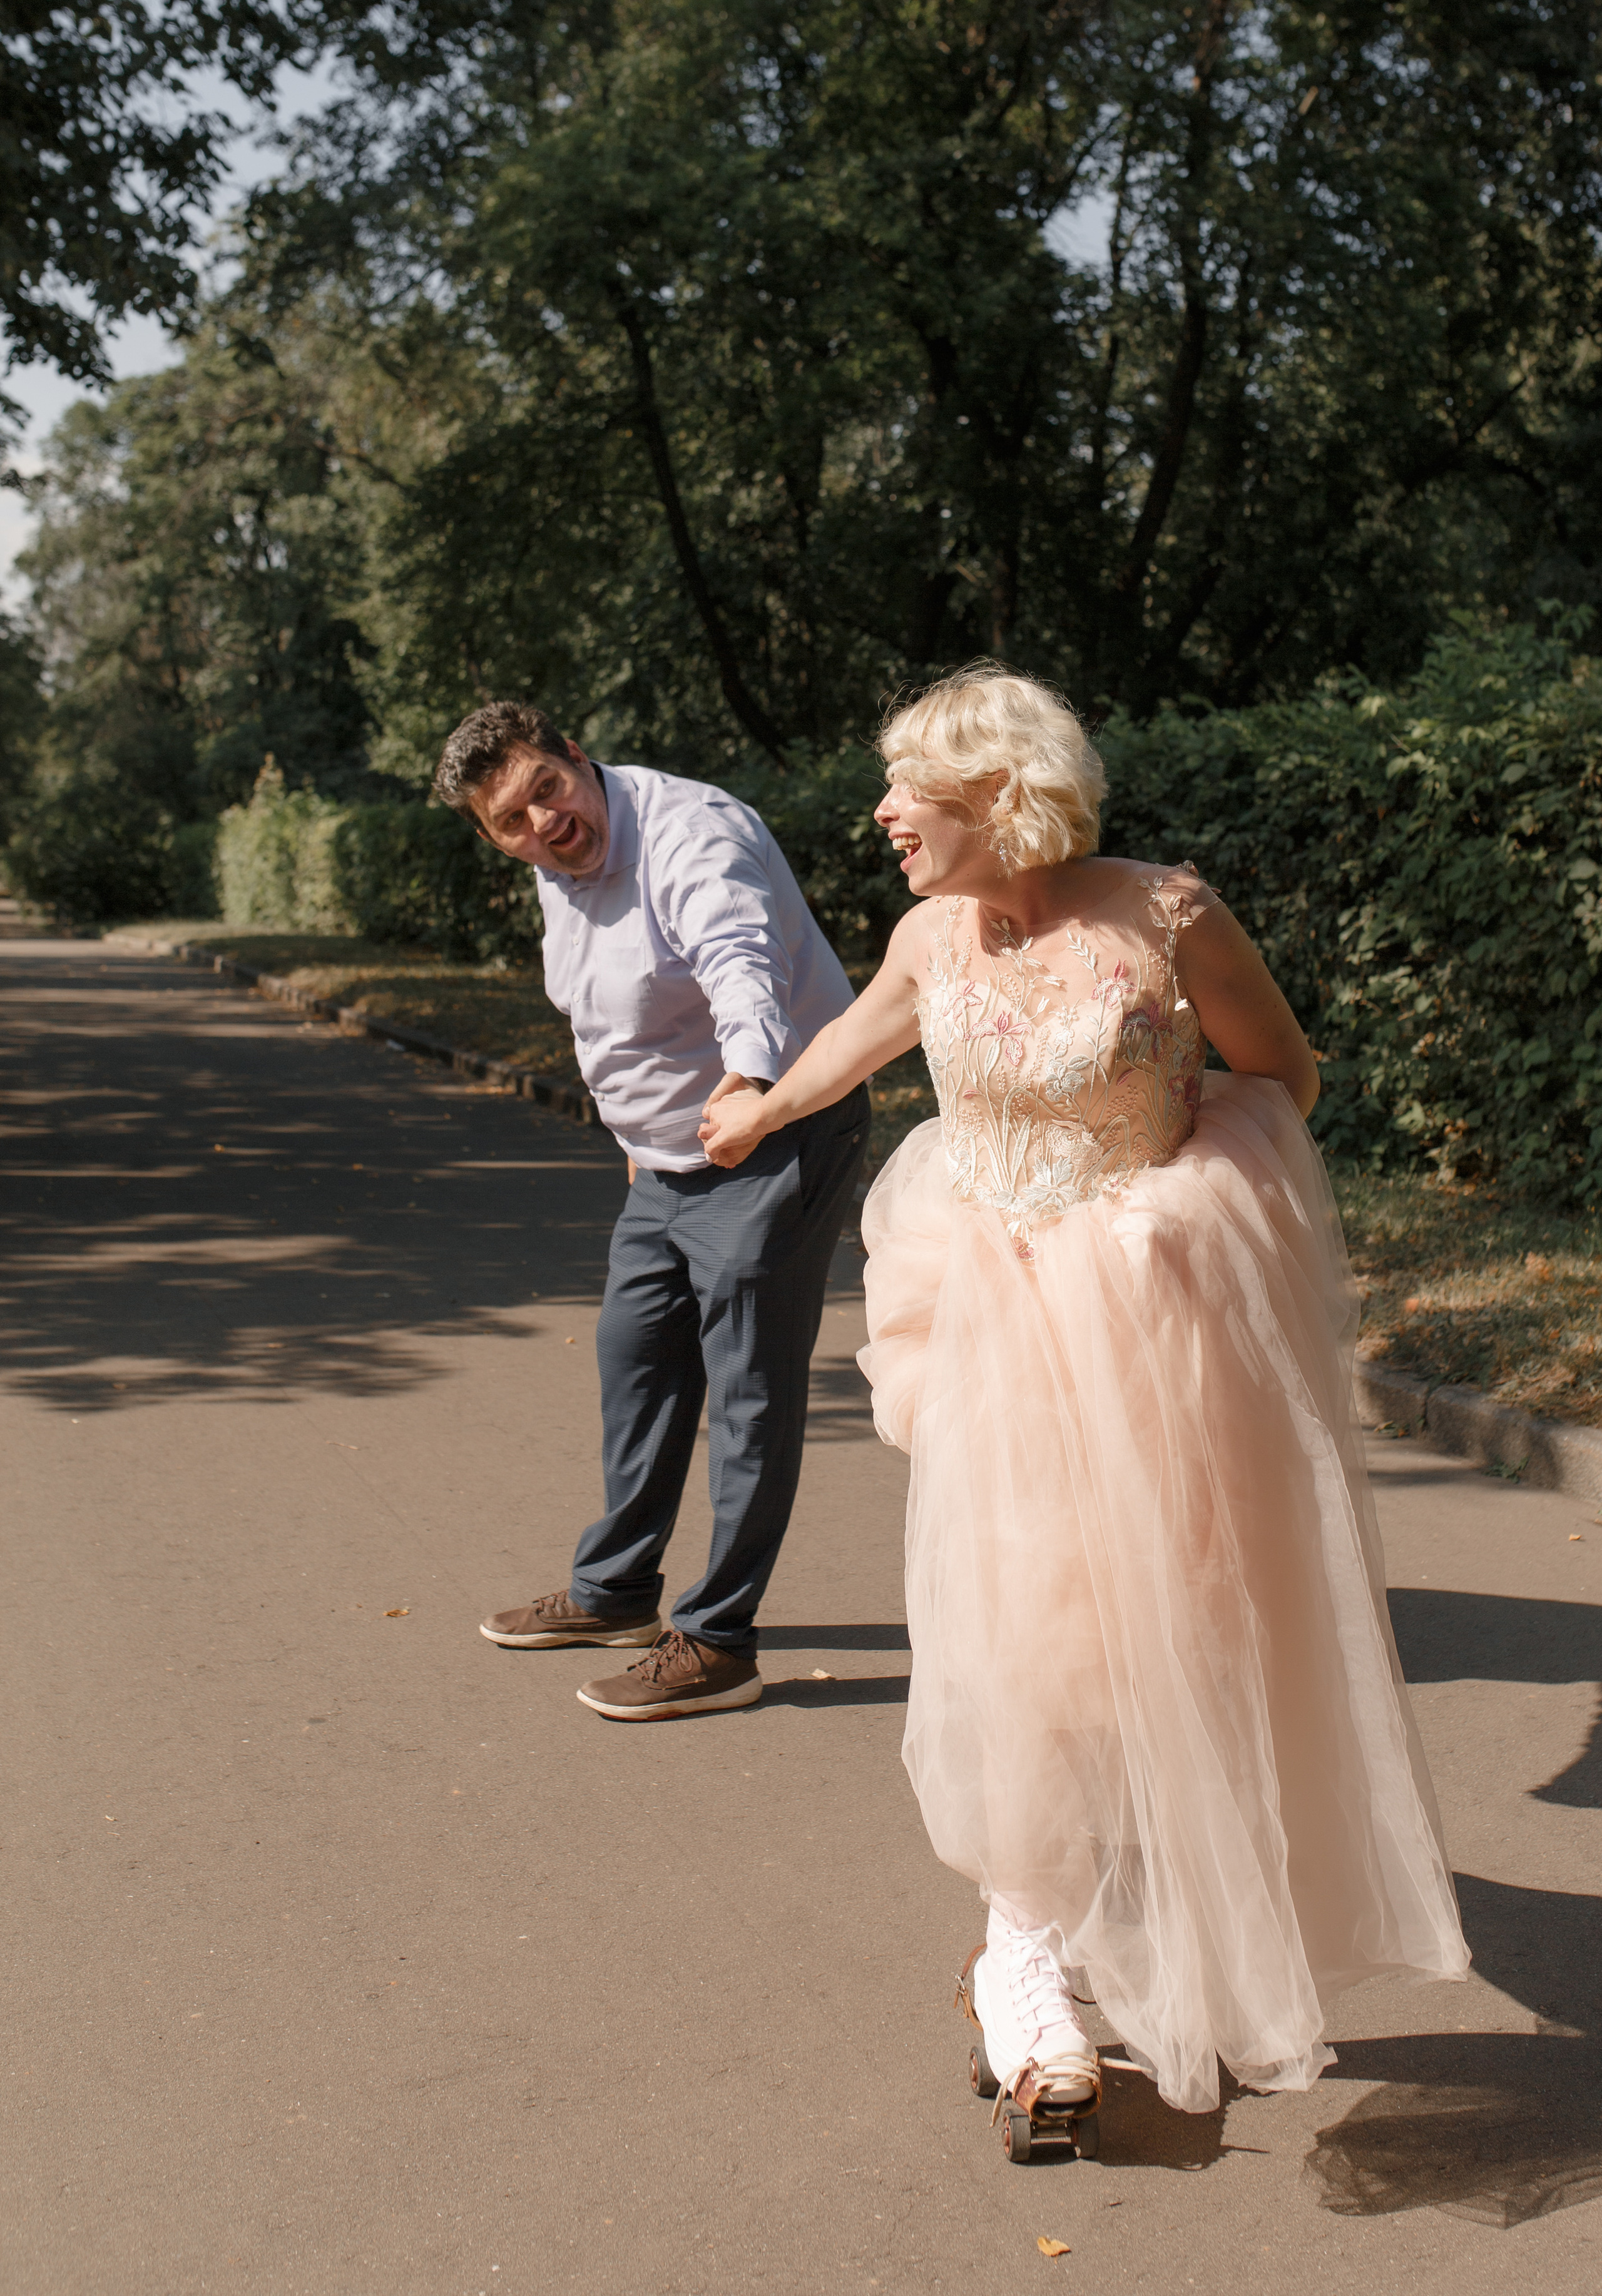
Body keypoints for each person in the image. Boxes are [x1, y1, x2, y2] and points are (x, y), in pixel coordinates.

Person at [699, 664, 1468, 2117]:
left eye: (904, 787)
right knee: (1030, 1637)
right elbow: (851, 1043)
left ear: (998, 797)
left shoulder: (1166, 914)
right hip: (991, 1327)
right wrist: (754, 1110)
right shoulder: (931, 931)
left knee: (1173, 1633)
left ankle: (1170, 1927)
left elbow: (1281, 1077)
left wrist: (1169, 1208)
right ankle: (1024, 1958)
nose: (879, 813)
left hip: (1155, 1328)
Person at [436, 703, 867, 1720]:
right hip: (666, 1159)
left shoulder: (689, 832)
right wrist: (641, 1142)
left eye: (546, 787)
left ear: (576, 757)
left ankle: (719, 1638)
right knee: (635, 1357)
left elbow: (737, 962)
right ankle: (618, 1592)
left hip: (775, 1126)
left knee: (748, 1387)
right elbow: (608, 1021)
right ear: (493, 837)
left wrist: (751, 1084)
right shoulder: (559, 870)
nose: (542, 822)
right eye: (511, 819)